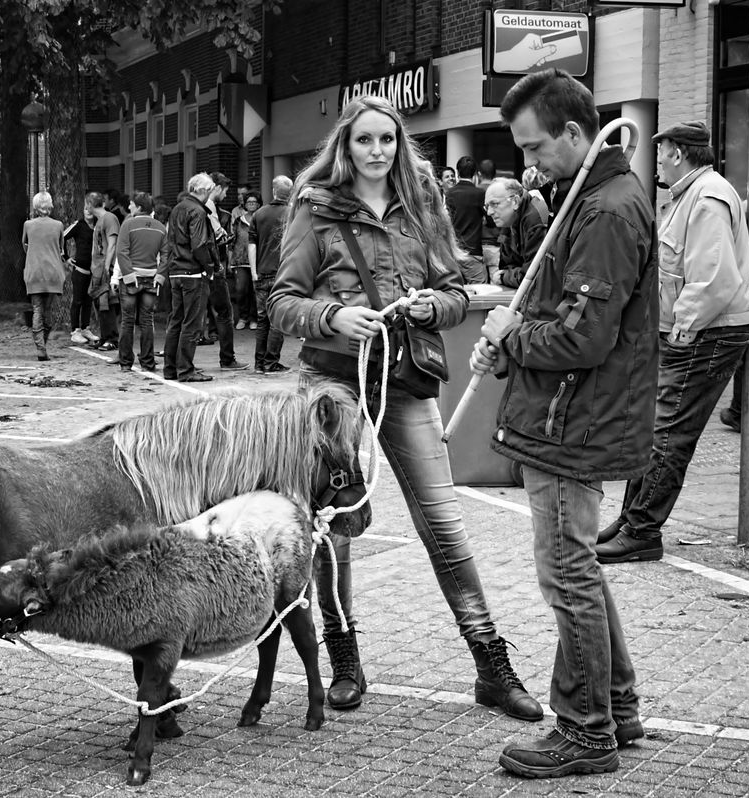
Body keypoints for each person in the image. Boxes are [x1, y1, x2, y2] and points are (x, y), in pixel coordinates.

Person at [268, 95, 542, 723]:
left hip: (405, 379)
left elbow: (455, 289)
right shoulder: (315, 209)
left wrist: (431, 307)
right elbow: (281, 302)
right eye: (364, 140)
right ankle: (343, 657)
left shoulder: (422, 208)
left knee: (443, 523)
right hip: (331, 385)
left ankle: (491, 664)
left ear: (399, 144)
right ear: (345, 145)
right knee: (332, 526)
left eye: (386, 140)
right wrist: (333, 315)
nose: (376, 151)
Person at [470, 68, 657, 778]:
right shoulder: (589, 199)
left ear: (575, 135)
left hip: (573, 419)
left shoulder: (606, 210)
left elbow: (583, 338)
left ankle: (585, 729)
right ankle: (617, 703)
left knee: (567, 573)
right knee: (578, 565)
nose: (529, 163)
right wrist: (515, 331)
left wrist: (512, 334)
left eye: (536, 147)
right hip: (571, 414)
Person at [596, 120, 749, 565]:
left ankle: (642, 530)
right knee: (656, 428)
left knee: (667, 433)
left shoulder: (705, 197)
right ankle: (632, 521)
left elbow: (713, 278)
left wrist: (683, 328)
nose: (658, 161)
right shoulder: (695, 194)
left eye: (662, 151)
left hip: (706, 332)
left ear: (678, 153)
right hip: (702, 330)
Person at [160, 174, 218, 382]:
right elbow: (199, 244)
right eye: (210, 191)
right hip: (192, 272)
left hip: (176, 270)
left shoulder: (177, 208)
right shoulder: (197, 211)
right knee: (192, 323)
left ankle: (171, 368)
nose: (210, 195)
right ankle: (186, 369)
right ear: (203, 190)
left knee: (176, 321)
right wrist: (209, 267)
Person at [113, 191, 166, 372]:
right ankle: (148, 362)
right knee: (147, 321)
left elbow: (122, 252)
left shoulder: (128, 225)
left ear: (140, 207)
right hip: (151, 278)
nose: (129, 207)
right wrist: (159, 276)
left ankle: (126, 363)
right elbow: (166, 255)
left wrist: (128, 275)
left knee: (127, 321)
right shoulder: (160, 227)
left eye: (132, 204)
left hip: (130, 280)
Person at [248, 175, 292, 374]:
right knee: (277, 320)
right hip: (283, 274)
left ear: (273, 191)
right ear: (289, 193)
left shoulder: (258, 214)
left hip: (262, 273)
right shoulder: (293, 214)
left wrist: (254, 272)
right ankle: (271, 362)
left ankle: (259, 363)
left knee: (262, 319)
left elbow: (252, 244)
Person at [204, 172, 245, 369]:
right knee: (225, 312)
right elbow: (215, 237)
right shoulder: (208, 208)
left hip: (199, 268)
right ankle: (227, 358)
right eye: (226, 190)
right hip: (212, 266)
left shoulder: (194, 207)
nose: (226, 195)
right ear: (217, 188)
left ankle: (178, 362)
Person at [21, 192, 66, 361]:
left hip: (34, 271)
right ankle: (43, 343)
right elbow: (61, 248)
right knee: (48, 311)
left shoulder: (28, 225)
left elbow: (25, 245)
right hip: (53, 271)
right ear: (50, 205)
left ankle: (40, 346)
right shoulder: (58, 225)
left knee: (37, 310)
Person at [485, 177, 546, 288]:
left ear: (515, 201)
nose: (489, 212)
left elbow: (532, 277)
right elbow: (506, 266)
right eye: (487, 206)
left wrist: (505, 277)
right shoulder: (509, 220)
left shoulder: (535, 220)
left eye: (494, 204)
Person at [445, 156, 488, 283]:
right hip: (473, 251)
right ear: (475, 173)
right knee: (481, 292)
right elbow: (490, 221)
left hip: (454, 251)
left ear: (457, 172)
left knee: (456, 291)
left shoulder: (450, 193)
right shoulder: (480, 193)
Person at [63, 195, 98, 344]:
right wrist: (65, 258)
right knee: (77, 300)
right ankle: (75, 331)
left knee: (88, 300)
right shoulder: (79, 225)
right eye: (85, 208)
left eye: (90, 208)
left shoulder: (99, 225)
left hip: (94, 270)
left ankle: (85, 328)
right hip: (80, 270)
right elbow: (62, 237)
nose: (88, 211)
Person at [88, 192, 121, 352]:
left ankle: (112, 338)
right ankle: (105, 335)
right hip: (97, 268)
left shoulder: (109, 218)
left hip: (105, 267)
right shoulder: (100, 220)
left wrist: (108, 266)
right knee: (99, 304)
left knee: (107, 303)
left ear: (89, 204)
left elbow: (112, 243)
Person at [230, 191, 261, 330]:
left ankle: (254, 318)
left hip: (258, 261)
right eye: (249, 202)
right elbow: (232, 241)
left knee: (255, 291)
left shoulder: (261, 219)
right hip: (240, 260)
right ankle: (243, 317)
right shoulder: (238, 221)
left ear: (259, 204)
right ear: (245, 204)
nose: (252, 205)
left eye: (254, 202)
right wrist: (230, 260)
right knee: (241, 289)